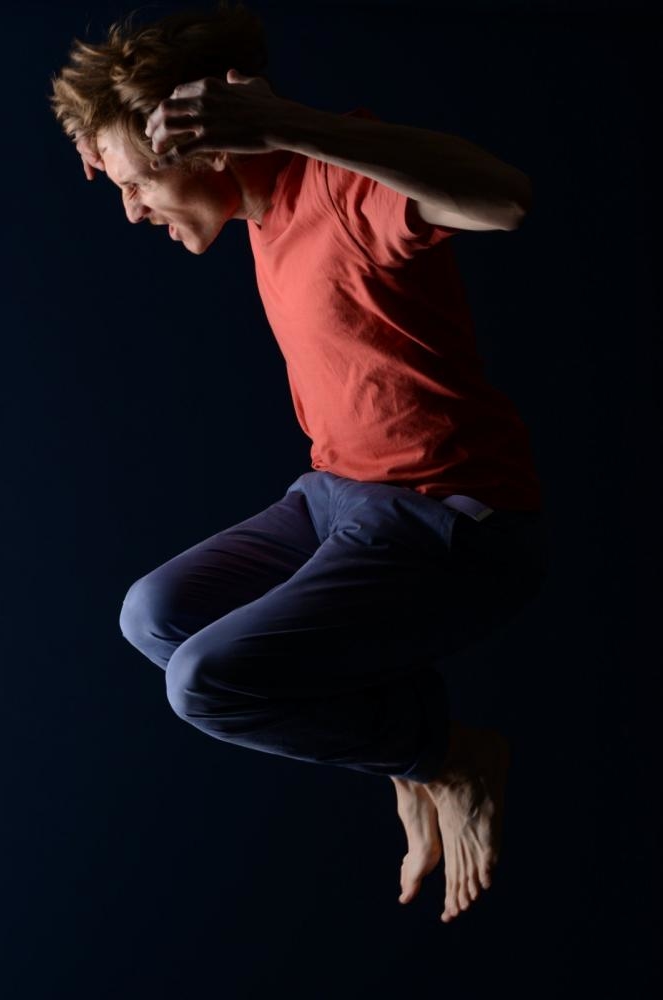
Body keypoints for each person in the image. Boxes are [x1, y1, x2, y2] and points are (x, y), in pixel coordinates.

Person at [50, 1, 549, 924]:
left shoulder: (336, 181)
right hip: (332, 498)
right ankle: (409, 754)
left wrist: (288, 124)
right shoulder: (258, 206)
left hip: (453, 522)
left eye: (134, 186)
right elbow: (140, 135)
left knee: (204, 681)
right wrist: (108, 133)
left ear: (211, 149)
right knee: (153, 615)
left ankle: (449, 760)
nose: (131, 210)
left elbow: (504, 199)